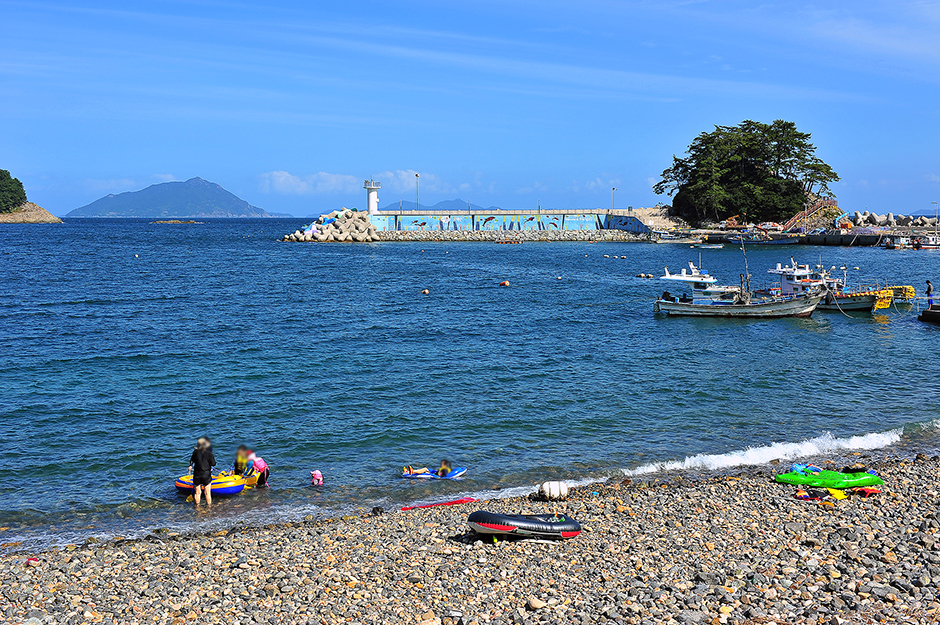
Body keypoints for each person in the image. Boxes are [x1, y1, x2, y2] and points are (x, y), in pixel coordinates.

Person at [189, 437, 216, 507]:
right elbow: (213, 463)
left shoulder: (195, 452)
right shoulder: (209, 453)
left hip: (197, 474)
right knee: (207, 493)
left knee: (197, 493)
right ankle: (209, 508)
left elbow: (192, 460)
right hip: (206, 474)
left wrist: (190, 465)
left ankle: (197, 507)